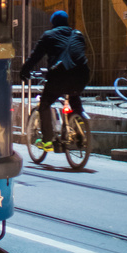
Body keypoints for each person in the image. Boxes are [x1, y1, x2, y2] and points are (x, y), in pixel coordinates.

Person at [20, 10, 90, 152]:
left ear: (53, 22)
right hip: (82, 74)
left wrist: (24, 71)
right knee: (73, 96)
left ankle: (47, 141)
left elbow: (35, 56)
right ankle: (78, 123)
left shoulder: (49, 36)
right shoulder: (78, 34)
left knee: (45, 104)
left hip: (59, 75)